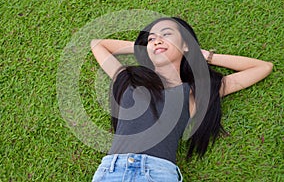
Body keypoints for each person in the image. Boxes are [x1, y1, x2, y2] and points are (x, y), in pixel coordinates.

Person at [90, 17, 273, 182]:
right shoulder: (129, 79)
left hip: (157, 174)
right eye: (151, 38)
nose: (157, 40)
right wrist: (146, 47)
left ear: (186, 45)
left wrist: (208, 57)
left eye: (166, 34)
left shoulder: (194, 93)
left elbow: (262, 67)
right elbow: (98, 44)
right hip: (111, 171)